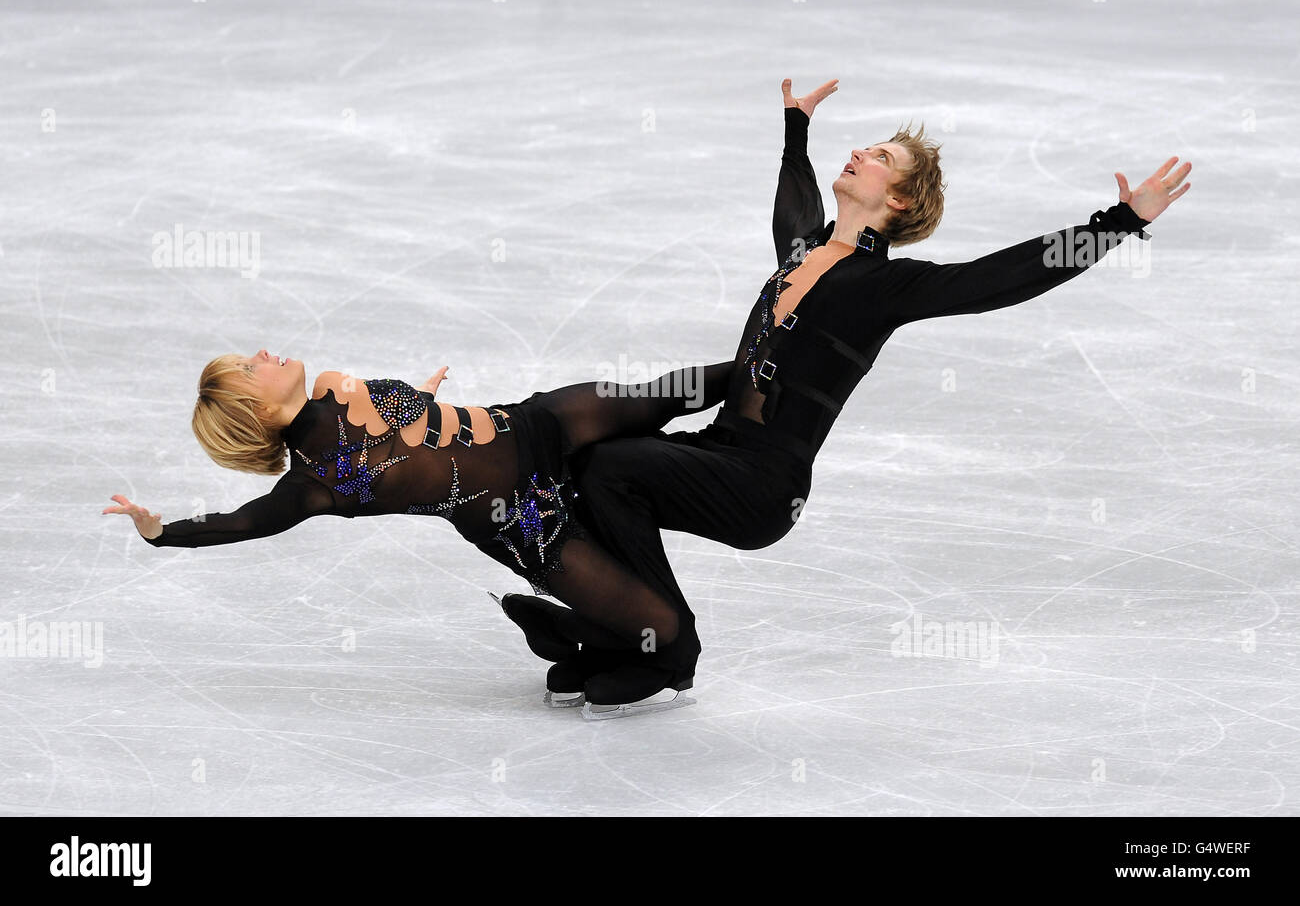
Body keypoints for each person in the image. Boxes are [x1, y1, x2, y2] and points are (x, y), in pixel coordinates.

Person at [503, 75, 1192, 706]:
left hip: (762, 484)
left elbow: (998, 278)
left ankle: (668, 645)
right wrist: (796, 130)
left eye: (883, 157)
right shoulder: (804, 251)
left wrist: (1120, 222)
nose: (862, 151)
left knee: (614, 470)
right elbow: (795, 204)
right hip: (716, 449)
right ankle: (617, 631)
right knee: (585, 464)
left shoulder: (886, 287)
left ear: (896, 200)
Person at [104, 350, 732, 717]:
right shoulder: (313, 484)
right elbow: (243, 522)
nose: (263, 354)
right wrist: (161, 532)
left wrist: (422, 405)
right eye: (250, 367)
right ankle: (602, 646)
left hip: (531, 427)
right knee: (666, 633)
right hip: (521, 523)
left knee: (665, 395)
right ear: (258, 411)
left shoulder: (332, 386)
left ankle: (774, 355)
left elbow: (401, 420)